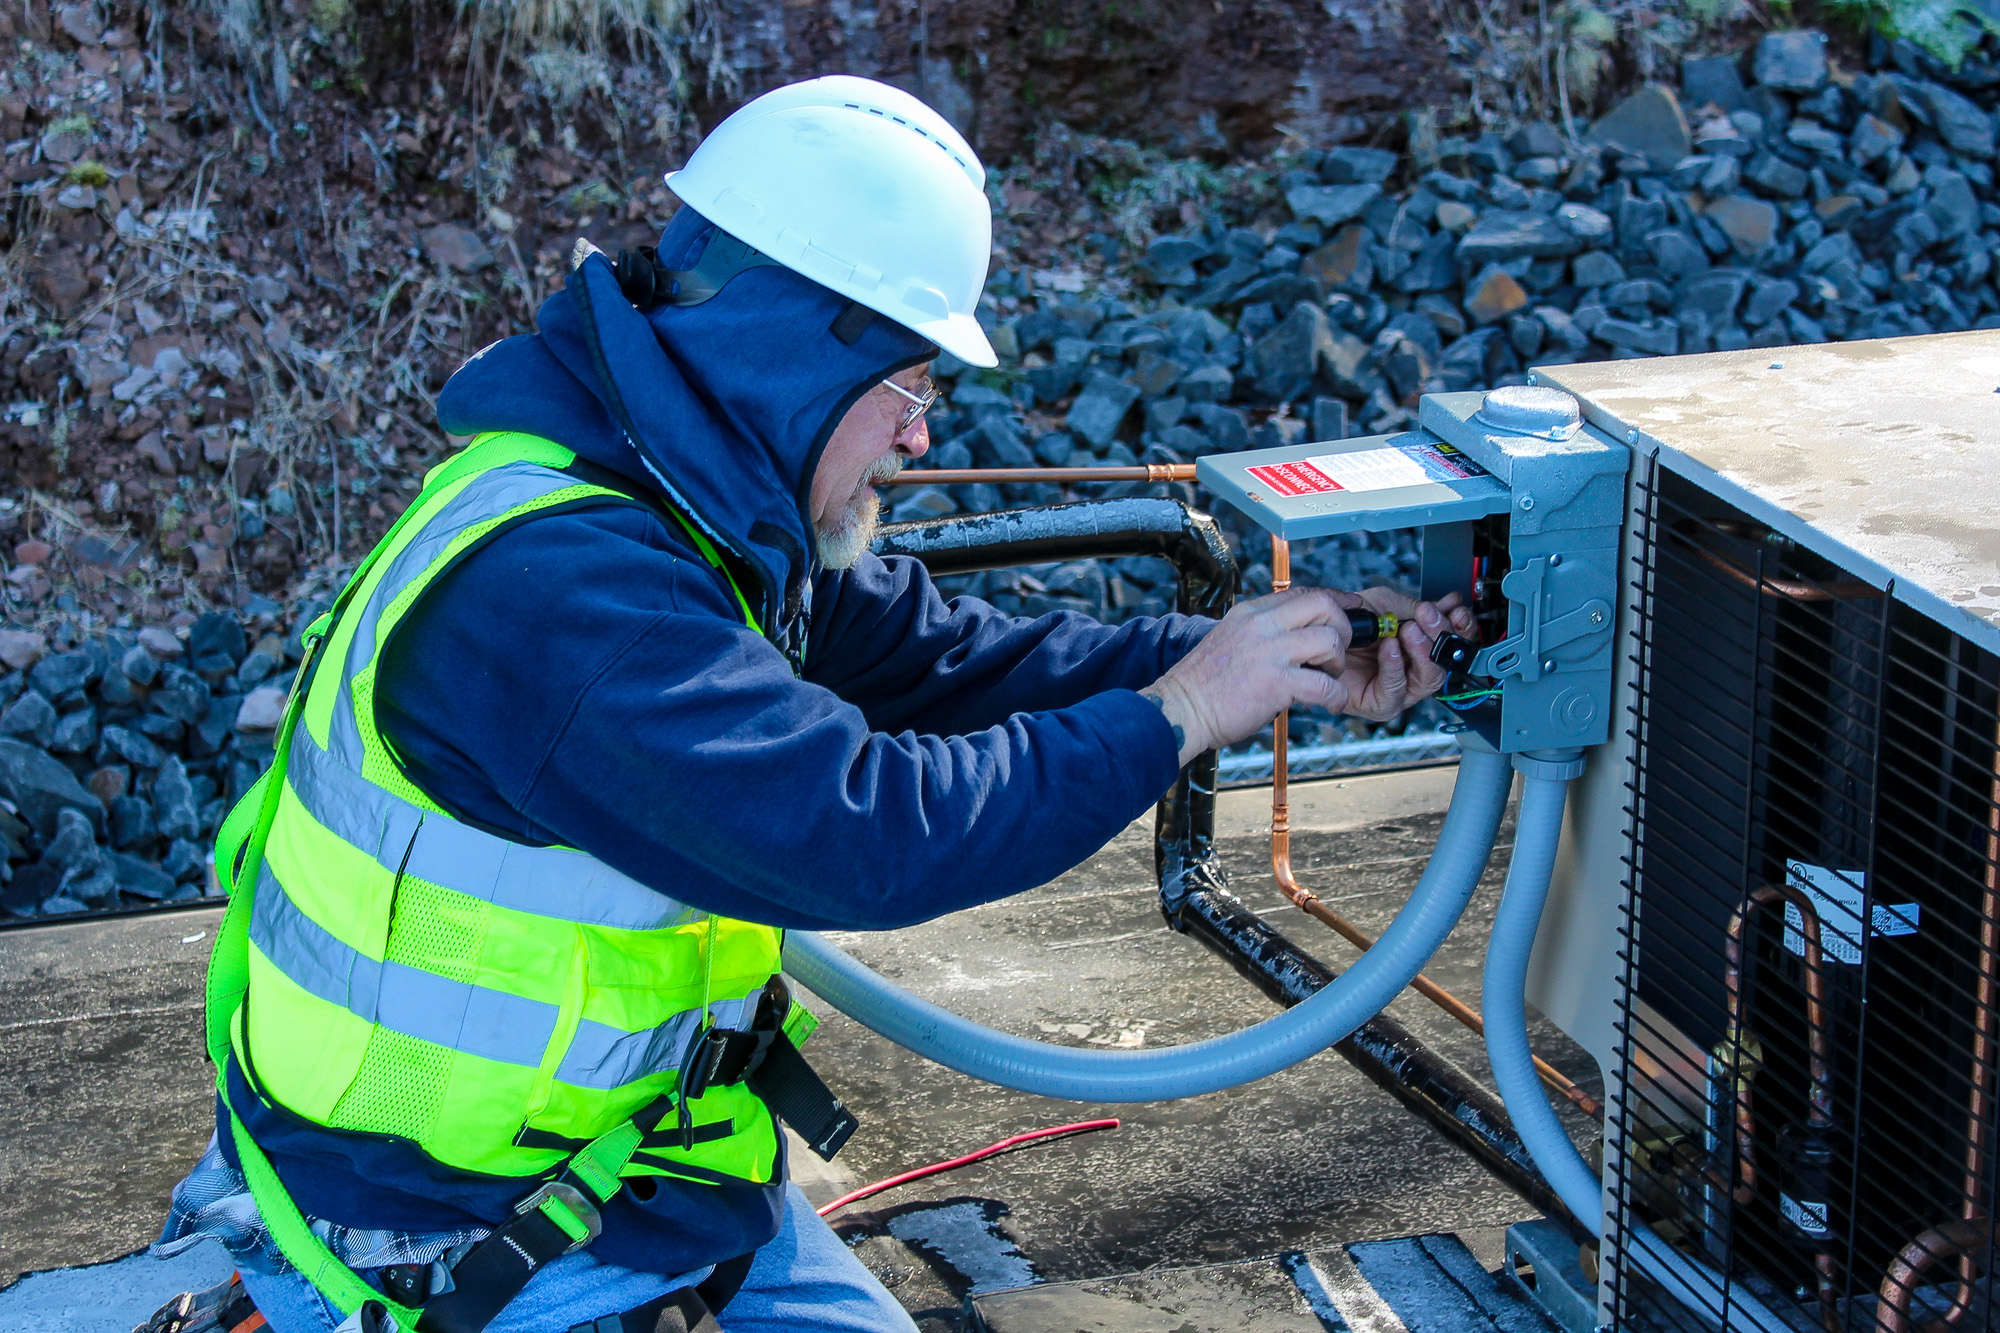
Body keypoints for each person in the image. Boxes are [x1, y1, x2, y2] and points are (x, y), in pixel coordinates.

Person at [150, 75, 1476, 1333]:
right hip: (445, 1228)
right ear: (791, 353)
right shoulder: (572, 593)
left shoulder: (678, 503)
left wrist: (1252, 662)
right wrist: (1182, 710)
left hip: (621, 1168)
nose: (919, 436)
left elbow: (941, 658)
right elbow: (865, 831)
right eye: (910, 384)